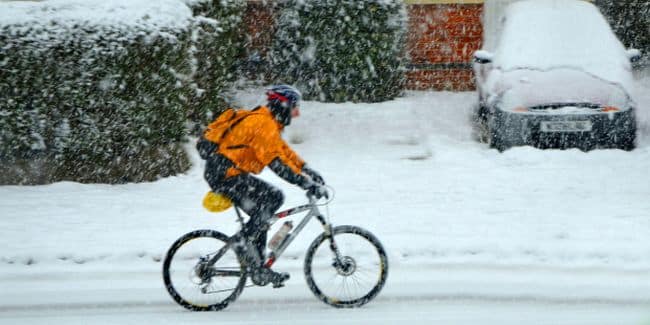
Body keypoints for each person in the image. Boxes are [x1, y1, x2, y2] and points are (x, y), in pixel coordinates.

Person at [196, 85, 327, 288]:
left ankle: (258, 266)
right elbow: (276, 164)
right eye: (295, 107)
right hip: (224, 174)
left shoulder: (269, 124)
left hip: (228, 172)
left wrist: (307, 171)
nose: (297, 113)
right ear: (283, 105)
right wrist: (304, 183)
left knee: (265, 209)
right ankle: (244, 246)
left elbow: (285, 153)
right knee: (271, 199)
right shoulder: (262, 124)